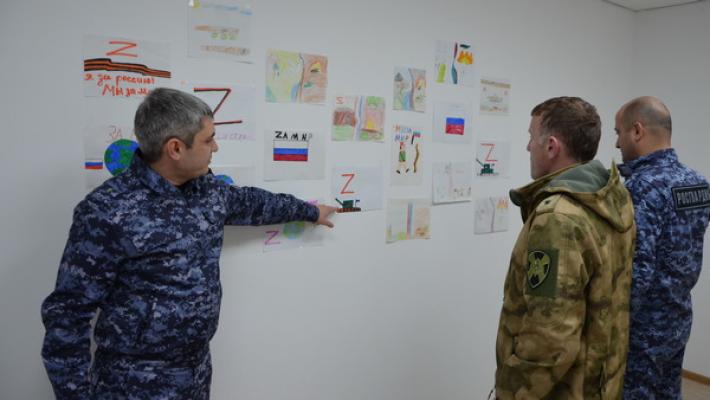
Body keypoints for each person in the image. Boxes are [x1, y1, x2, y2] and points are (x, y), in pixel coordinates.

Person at [41, 88, 337, 399]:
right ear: (175, 148)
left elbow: (253, 203)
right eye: (209, 140)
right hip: (133, 383)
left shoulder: (206, 191)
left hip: (196, 372)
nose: (216, 147)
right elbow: (68, 314)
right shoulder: (107, 210)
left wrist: (310, 211)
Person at [494, 97, 636, 399]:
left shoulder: (557, 217)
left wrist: (512, 392)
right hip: (601, 383)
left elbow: (549, 337)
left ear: (551, 146)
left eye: (531, 137)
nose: (528, 147)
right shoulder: (612, 196)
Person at [615, 96, 710, 400]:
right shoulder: (698, 183)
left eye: (619, 133)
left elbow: (638, 270)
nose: (617, 143)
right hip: (678, 317)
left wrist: (614, 327)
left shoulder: (641, 187)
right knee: (668, 393)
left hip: (643, 329)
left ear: (637, 131)